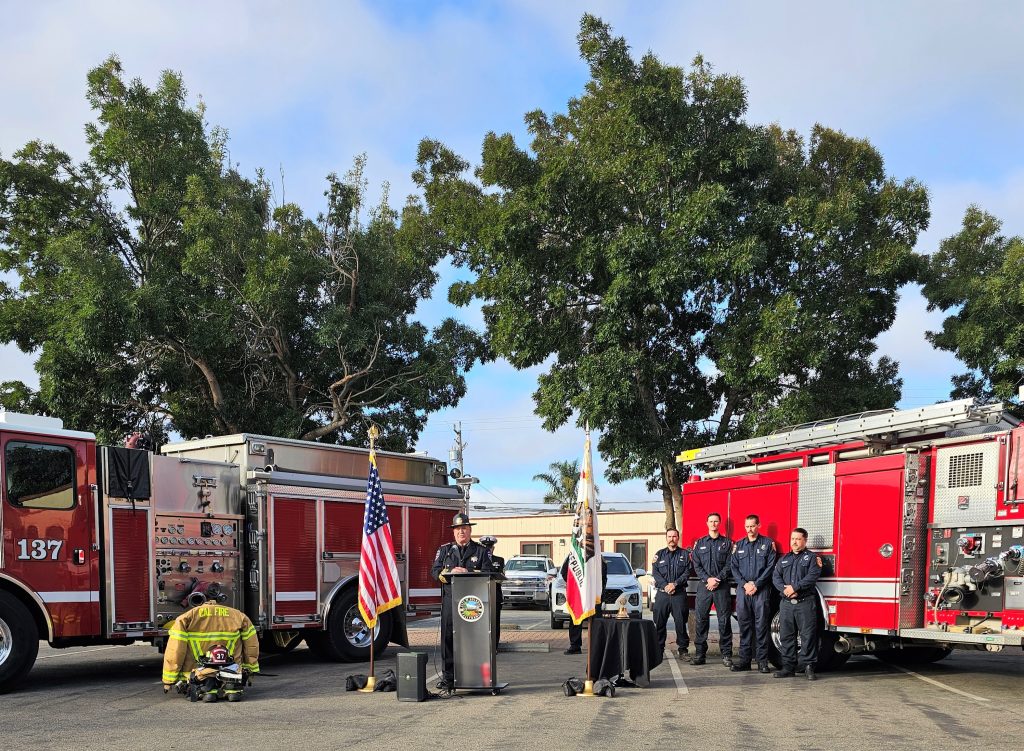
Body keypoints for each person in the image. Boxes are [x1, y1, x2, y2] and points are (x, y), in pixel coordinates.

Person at [430, 513, 496, 690]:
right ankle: (448, 678)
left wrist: (467, 572)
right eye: (458, 529)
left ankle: (476, 676)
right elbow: (435, 572)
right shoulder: (445, 550)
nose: (461, 532)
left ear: (470, 530)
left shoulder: (481, 551)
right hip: (451, 601)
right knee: (448, 639)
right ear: (454, 532)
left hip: (473, 603)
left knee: (474, 639)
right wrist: (450, 571)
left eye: (464, 528)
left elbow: (489, 573)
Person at [161, 603, 260, 702]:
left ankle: (208, 692)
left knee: (203, 684)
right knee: (232, 681)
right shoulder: (238, 616)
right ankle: (232, 690)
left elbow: (175, 650)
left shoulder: (186, 618)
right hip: (231, 672)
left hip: (199, 674)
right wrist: (251, 668)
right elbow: (251, 646)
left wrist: (169, 680)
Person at [729, 514, 778, 673]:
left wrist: (756, 584)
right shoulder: (739, 545)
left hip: (761, 590)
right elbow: (734, 567)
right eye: (747, 526)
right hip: (744, 591)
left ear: (759, 526)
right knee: (744, 627)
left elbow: (771, 566)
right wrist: (745, 584)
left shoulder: (768, 544)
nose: (750, 529)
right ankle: (744, 661)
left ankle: (762, 662)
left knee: (761, 626)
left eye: (752, 526)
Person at [772, 527, 823, 681]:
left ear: (805, 540)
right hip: (786, 603)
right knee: (786, 635)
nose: (794, 542)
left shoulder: (812, 558)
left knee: (808, 635)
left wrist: (795, 588)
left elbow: (812, 576)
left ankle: (809, 667)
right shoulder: (784, 559)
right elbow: (776, 577)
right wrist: (785, 590)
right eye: (792, 539)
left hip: (805, 602)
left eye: (798, 539)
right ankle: (788, 667)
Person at [691, 512, 734, 666]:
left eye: (716, 521)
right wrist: (707, 579)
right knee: (701, 620)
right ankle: (700, 654)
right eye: (711, 521)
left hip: (721, 586)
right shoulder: (700, 543)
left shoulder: (728, 544)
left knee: (724, 621)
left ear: (720, 523)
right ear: (707, 523)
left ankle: (726, 655)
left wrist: (717, 579)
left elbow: (730, 564)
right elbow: (696, 564)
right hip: (704, 586)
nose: (714, 524)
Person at [651, 528, 692, 660]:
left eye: (674, 536)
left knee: (680, 623)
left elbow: (687, 572)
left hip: (679, 594)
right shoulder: (659, 555)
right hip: (662, 594)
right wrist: (665, 585)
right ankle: (658, 650)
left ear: (678, 538)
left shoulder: (685, 555)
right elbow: (656, 573)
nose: (672, 539)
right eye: (669, 536)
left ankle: (683, 650)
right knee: (660, 623)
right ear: (666, 538)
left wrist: (674, 584)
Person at [561, 553, 609, 654]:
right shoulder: (574, 555)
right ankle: (575, 646)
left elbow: (603, 575)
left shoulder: (598, 557)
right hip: (579, 594)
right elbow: (565, 571)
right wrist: (575, 584)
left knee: (596, 622)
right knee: (576, 620)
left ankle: (596, 647)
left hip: (593, 594)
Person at [479, 535, 505, 647]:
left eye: (490, 547)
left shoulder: (499, 560)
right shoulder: (477, 560)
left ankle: (494, 646)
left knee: (494, 623)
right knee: (481, 623)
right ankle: (482, 646)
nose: (488, 549)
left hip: (495, 595)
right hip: (480, 595)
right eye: (485, 547)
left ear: (493, 548)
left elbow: (501, 578)